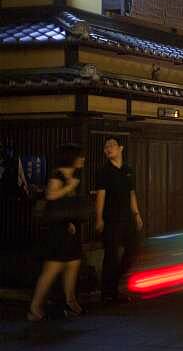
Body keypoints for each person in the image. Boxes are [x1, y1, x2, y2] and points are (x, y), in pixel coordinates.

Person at [27, 144, 86, 321]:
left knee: (74, 263)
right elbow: (51, 196)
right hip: (57, 230)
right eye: (80, 156)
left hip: (69, 227)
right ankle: (35, 308)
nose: (83, 159)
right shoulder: (58, 174)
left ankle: (71, 301)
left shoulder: (73, 175)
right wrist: (70, 187)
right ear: (71, 158)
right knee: (52, 268)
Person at [95, 137, 142, 303]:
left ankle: (117, 280)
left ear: (120, 148)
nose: (108, 149)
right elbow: (101, 195)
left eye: (112, 145)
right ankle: (108, 293)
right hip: (111, 218)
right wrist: (99, 218)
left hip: (127, 217)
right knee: (111, 255)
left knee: (133, 248)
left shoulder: (128, 169)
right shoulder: (104, 171)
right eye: (106, 146)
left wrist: (136, 214)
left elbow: (131, 193)